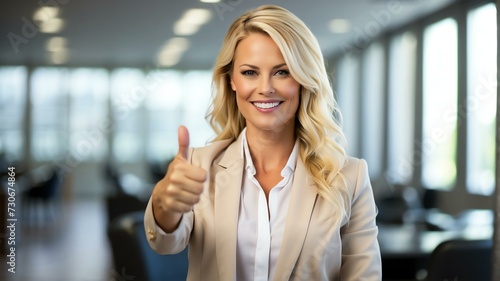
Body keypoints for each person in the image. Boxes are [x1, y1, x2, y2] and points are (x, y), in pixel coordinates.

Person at [144, 4, 381, 280]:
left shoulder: (350, 178)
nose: (265, 87)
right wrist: (164, 202)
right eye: (249, 72)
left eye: (282, 72)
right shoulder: (200, 167)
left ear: (304, 80)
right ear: (231, 80)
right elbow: (163, 242)